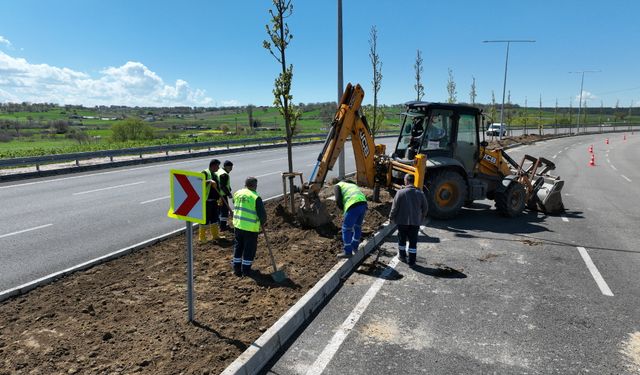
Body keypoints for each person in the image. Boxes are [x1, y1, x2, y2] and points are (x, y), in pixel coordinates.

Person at [389, 173, 429, 266]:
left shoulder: (400, 192)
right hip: (415, 222)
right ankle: (412, 260)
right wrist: (421, 218)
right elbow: (425, 208)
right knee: (413, 241)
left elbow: (394, 208)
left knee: (402, 240)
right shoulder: (420, 193)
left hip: (402, 222)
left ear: (406, 181)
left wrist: (391, 217)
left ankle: (402, 256)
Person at [232, 177, 267, 277]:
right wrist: (263, 222)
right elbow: (262, 215)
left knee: (238, 247)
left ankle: (236, 268)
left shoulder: (238, 193)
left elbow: (235, 203)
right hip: (250, 228)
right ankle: (246, 270)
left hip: (238, 225)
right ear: (254, 185)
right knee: (249, 249)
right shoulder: (255, 197)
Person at [334, 179, 368, 258]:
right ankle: (354, 246)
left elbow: (338, 200)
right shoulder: (352, 185)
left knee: (346, 228)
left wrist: (344, 211)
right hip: (363, 203)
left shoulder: (338, 185)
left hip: (353, 204)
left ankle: (347, 251)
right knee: (357, 226)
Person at [200, 159, 221, 243]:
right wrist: (208, 181)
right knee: (205, 219)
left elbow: (217, 188)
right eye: (217, 166)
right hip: (206, 201)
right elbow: (198, 182)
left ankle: (215, 235)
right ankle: (202, 237)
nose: (218, 168)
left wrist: (219, 198)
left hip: (214, 201)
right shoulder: (205, 173)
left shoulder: (215, 174)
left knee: (214, 218)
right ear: (213, 165)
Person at [216, 160, 234, 232]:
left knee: (219, 210)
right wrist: (228, 194)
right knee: (224, 211)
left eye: (232, 167)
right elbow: (223, 186)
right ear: (226, 166)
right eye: (230, 167)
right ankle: (223, 227)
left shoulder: (219, 170)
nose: (231, 169)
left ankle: (220, 224)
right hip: (222, 195)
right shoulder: (224, 174)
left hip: (217, 194)